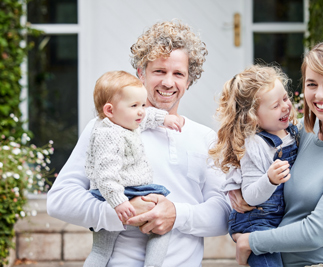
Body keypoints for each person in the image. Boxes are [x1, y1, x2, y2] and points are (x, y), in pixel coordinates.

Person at [47, 20, 231, 267]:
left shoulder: (205, 137)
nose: (168, 82)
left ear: (189, 81)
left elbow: (225, 215)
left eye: (178, 74)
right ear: (141, 73)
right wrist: (118, 212)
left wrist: (176, 214)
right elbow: (60, 200)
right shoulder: (106, 127)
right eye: (159, 71)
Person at [232, 40, 323, 267]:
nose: (319, 95)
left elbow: (316, 232)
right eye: (312, 84)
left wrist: (250, 241)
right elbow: (243, 145)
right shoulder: (301, 133)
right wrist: (235, 187)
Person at [84, 70, 182, 267]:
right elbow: (105, 175)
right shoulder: (109, 135)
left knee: (102, 249)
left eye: (143, 104)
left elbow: (146, 118)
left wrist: (164, 119)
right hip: (121, 193)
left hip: (121, 192)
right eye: (135, 105)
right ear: (110, 110)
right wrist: (118, 202)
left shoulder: (124, 121)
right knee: (160, 224)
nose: (141, 111)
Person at [208, 65, 299, 267]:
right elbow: (249, 196)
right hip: (255, 222)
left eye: (285, 98)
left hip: (276, 221)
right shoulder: (255, 145)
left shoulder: (292, 132)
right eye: (275, 106)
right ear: (253, 117)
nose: (285, 107)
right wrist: (269, 179)